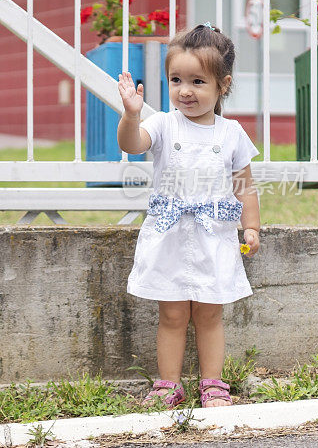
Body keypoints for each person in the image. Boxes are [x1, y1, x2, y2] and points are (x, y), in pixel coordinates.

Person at [117, 23, 261, 409]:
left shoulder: (231, 134)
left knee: (210, 314)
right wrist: (131, 116)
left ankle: (212, 383)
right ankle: (168, 384)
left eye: (198, 81)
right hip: (170, 236)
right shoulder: (163, 124)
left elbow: (244, 184)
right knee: (173, 313)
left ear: (222, 85)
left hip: (214, 235)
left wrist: (251, 226)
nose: (185, 90)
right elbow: (132, 144)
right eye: (176, 79)